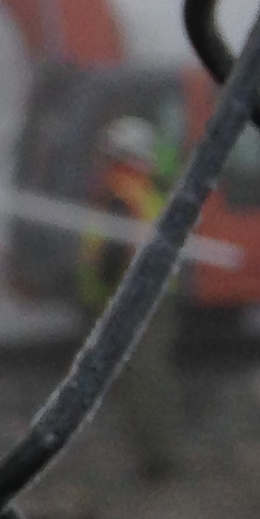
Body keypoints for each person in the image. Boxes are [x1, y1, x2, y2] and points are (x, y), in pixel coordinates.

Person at [74, 111, 183, 480]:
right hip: (151, 298)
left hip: (131, 301)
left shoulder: (120, 194)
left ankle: (160, 461)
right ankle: (161, 454)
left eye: (106, 154)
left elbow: (112, 254)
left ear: (119, 155)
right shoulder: (145, 191)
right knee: (149, 376)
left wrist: (101, 291)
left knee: (141, 378)